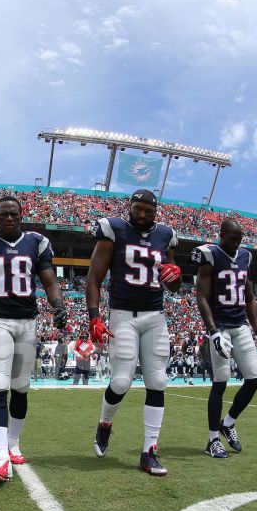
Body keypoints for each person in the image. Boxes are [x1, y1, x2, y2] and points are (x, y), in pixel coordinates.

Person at [0, 195, 67, 483]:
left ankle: (13, 443)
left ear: (22, 216)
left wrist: (58, 306)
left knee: (21, 387)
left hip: (28, 323)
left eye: (14, 214)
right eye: (3, 214)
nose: (9, 218)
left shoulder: (36, 242)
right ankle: (0, 457)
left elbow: (49, 282)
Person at [85, 189, 182, 476]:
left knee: (157, 381)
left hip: (155, 316)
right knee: (121, 382)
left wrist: (175, 276)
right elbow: (94, 279)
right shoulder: (114, 229)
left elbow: (173, 283)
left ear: (156, 212)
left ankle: (149, 451)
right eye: (137, 208)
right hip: (123, 315)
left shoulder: (165, 235)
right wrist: (94, 317)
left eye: (148, 210)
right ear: (130, 207)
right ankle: (105, 424)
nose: (142, 214)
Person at [194, 218, 257, 459]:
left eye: (239, 240)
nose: (236, 244)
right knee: (220, 382)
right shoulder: (209, 254)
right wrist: (212, 331)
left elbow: (250, 297)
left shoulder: (245, 256)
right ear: (221, 234)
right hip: (220, 326)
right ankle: (213, 440)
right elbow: (201, 295)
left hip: (240, 325)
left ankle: (229, 422)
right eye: (232, 239)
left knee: (254, 379)